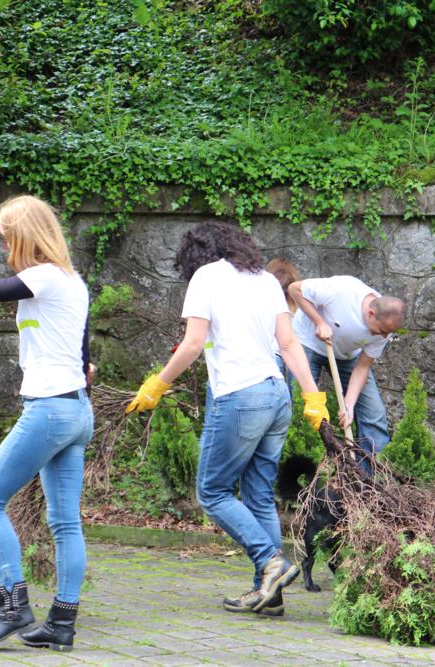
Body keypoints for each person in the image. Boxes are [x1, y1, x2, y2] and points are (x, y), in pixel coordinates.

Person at [125, 222, 329, 616]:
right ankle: (269, 594)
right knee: (258, 495)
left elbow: (193, 343)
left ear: (197, 254)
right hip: (276, 394)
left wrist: (157, 385)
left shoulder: (206, 277)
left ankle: (271, 563)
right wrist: (311, 396)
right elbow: (287, 343)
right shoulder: (264, 280)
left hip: (239, 396)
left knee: (213, 491)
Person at [0, 196, 93, 651]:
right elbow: (85, 356)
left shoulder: (42, 276)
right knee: (65, 523)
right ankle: (61, 624)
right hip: (76, 408)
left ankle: (14, 606)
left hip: (49, 409)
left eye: (8, 238)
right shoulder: (72, 281)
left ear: (21, 235)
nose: (4, 248)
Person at [287, 276, 405, 459]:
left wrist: (349, 405)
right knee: (306, 410)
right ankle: (311, 474)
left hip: (346, 355)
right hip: (308, 344)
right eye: (382, 331)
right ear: (371, 313)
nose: (384, 336)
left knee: (374, 413)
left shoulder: (385, 327)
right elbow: (294, 289)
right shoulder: (342, 291)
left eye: (388, 333)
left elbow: (362, 368)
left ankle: (371, 479)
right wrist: (319, 321)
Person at [265, 258, 302, 393]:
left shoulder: (265, 296)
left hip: (273, 352)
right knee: (297, 393)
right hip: (288, 351)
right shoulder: (297, 303)